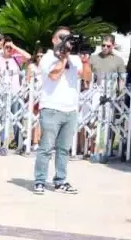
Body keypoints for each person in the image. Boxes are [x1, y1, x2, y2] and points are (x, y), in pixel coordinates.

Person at [32, 28, 91, 194]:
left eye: (68, 38)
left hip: (70, 109)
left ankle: (60, 181)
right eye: (62, 37)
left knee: (64, 149)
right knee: (46, 147)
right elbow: (53, 75)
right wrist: (63, 58)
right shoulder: (47, 57)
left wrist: (85, 60)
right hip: (51, 108)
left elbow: (86, 78)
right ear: (53, 39)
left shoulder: (75, 59)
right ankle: (40, 180)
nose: (65, 40)